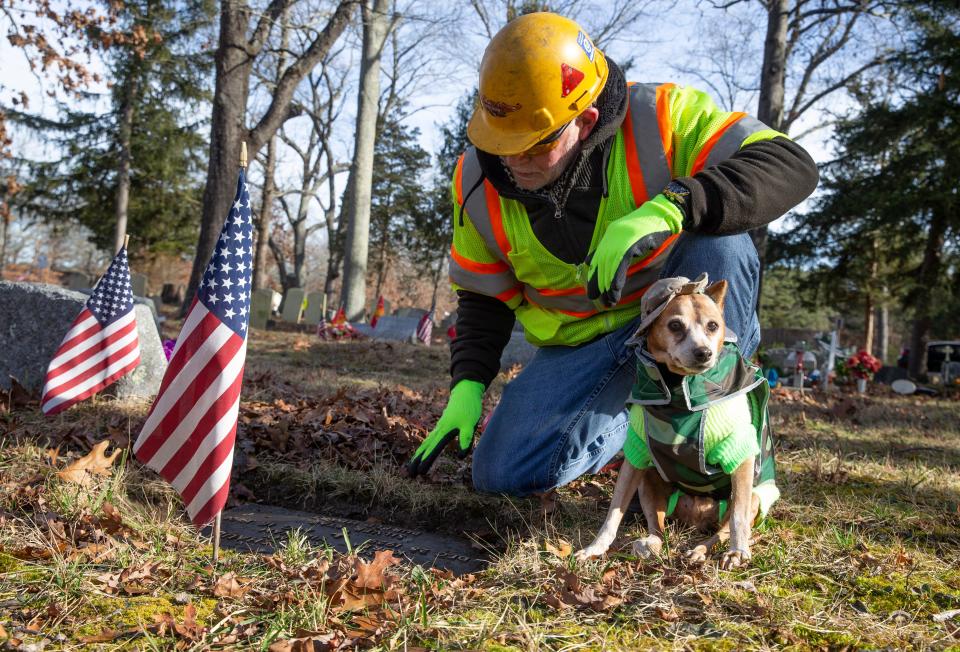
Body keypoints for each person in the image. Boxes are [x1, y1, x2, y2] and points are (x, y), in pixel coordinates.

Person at [405, 12, 819, 495]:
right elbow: (483, 294)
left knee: (721, 240)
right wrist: (469, 383)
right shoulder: (473, 183)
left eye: (535, 145)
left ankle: (721, 431)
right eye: (503, 143)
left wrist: (675, 206)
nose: (515, 161)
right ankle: (644, 424)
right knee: (503, 474)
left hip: (679, 322)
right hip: (584, 349)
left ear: (584, 121)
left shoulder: (663, 117)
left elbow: (791, 163)